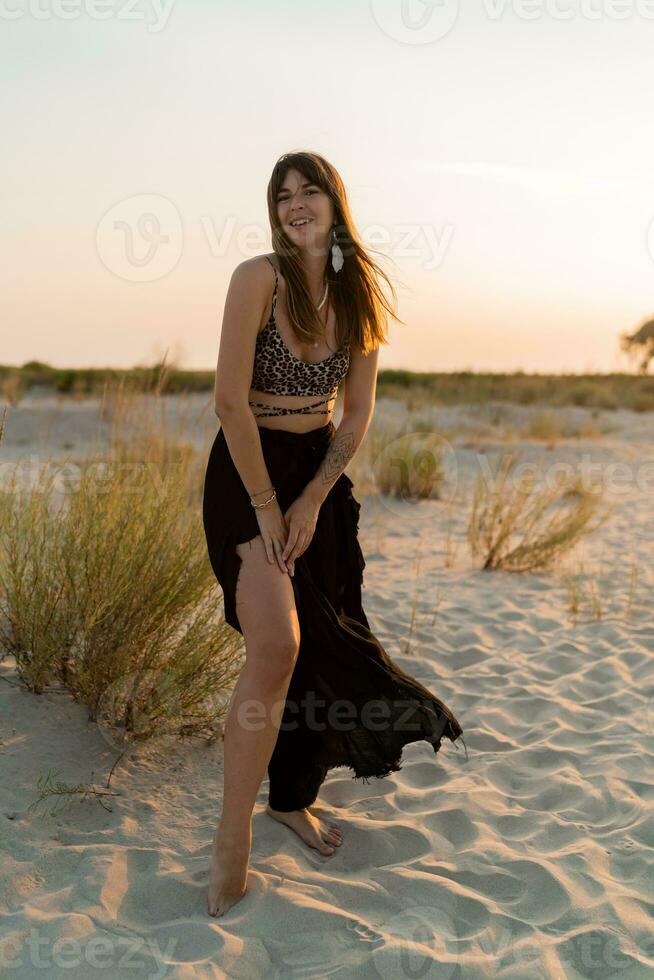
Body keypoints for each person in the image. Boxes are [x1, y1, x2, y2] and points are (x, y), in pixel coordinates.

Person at [202, 151, 466, 918]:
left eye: (308, 189)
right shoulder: (259, 278)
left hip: (317, 474)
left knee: (319, 646)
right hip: (248, 469)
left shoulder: (359, 292)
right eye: (281, 195)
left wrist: (313, 498)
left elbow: (357, 413)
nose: (295, 204)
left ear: (334, 200)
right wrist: (266, 506)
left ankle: (289, 797)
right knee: (278, 643)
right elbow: (227, 402)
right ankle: (231, 841)